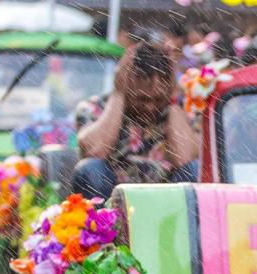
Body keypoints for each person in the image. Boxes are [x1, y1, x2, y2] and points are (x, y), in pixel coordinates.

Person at [73, 43, 200, 201]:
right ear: (127, 87)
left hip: (168, 205)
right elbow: (95, 151)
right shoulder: (93, 107)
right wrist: (119, 93)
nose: (149, 107)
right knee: (90, 168)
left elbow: (184, 160)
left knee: (195, 169)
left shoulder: (183, 113)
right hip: (113, 206)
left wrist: (173, 99)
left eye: (158, 100)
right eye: (141, 99)